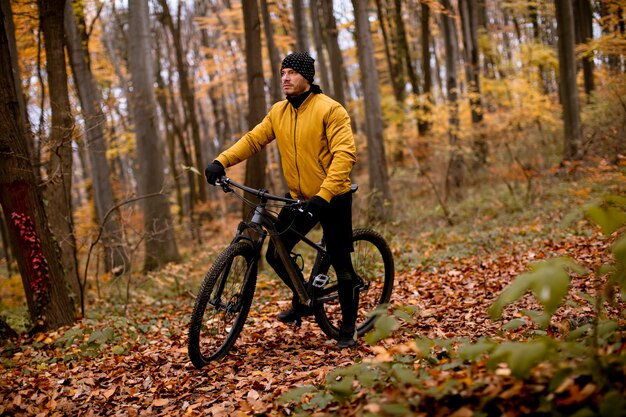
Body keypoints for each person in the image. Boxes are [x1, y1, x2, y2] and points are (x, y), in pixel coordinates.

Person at [205, 51, 359, 348]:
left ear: (308, 77)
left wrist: (324, 195)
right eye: (282, 72)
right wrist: (221, 161)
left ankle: (348, 330)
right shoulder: (279, 112)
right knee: (276, 253)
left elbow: (344, 155)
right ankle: (304, 298)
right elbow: (253, 140)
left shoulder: (331, 109)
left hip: (332, 197)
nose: (285, 78)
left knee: (341, 264)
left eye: (292, 72)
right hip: (299, 198)